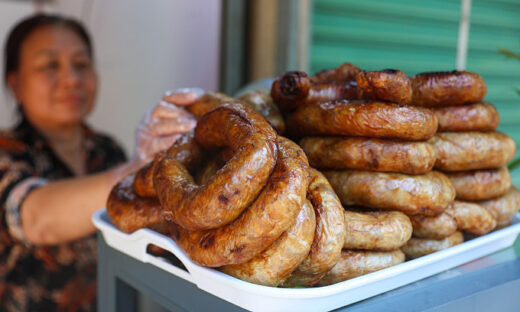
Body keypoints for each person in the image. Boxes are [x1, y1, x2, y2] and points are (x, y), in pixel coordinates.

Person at [0, 14, 200, 311]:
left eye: (81, 64)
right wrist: (135, 167)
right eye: (49, 65)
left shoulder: (107, 151)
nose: (71, 79)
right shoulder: (7, 152)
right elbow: (34, 219)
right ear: (15, 83)